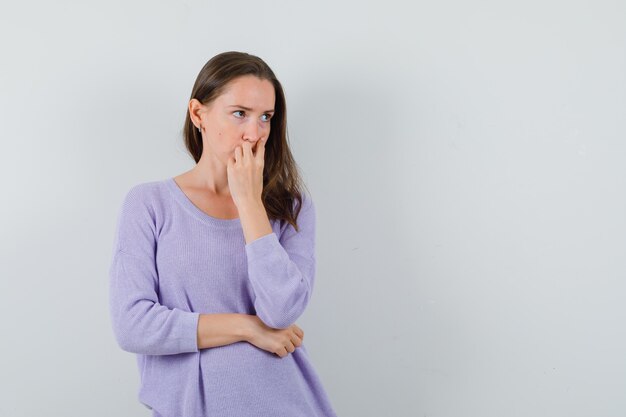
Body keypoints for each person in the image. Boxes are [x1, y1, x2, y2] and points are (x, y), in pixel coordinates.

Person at [108, 51, 339, 417]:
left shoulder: (290, 207)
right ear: (198, 114)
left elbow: (280, 312)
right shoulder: (149, 204)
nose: (255, 132)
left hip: (288, 402)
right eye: (240, 113)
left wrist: (249, 203)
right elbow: (133, 326)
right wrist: (247, 328)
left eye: (266, 117)